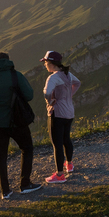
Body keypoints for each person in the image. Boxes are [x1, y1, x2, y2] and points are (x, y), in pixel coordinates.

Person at [0, 50, 42, 198]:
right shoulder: (16, 76)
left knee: (1, 156)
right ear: (8, 61)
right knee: (27, 149)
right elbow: (29, 95)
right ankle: (25, 184)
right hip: (17, 121)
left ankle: (5, 191)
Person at [40, 51, 81, 184]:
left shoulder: (53, 78)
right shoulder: (67, 74)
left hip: (57, 113)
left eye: (46, 62)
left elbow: (46, 92)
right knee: (66, 139)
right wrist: (69, 96)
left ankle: (59, 175)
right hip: (70, 111)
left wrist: (50, 101)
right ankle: (69, 164)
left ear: (51, 63)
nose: (45, 65)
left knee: (57, 144)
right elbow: (78, 83)